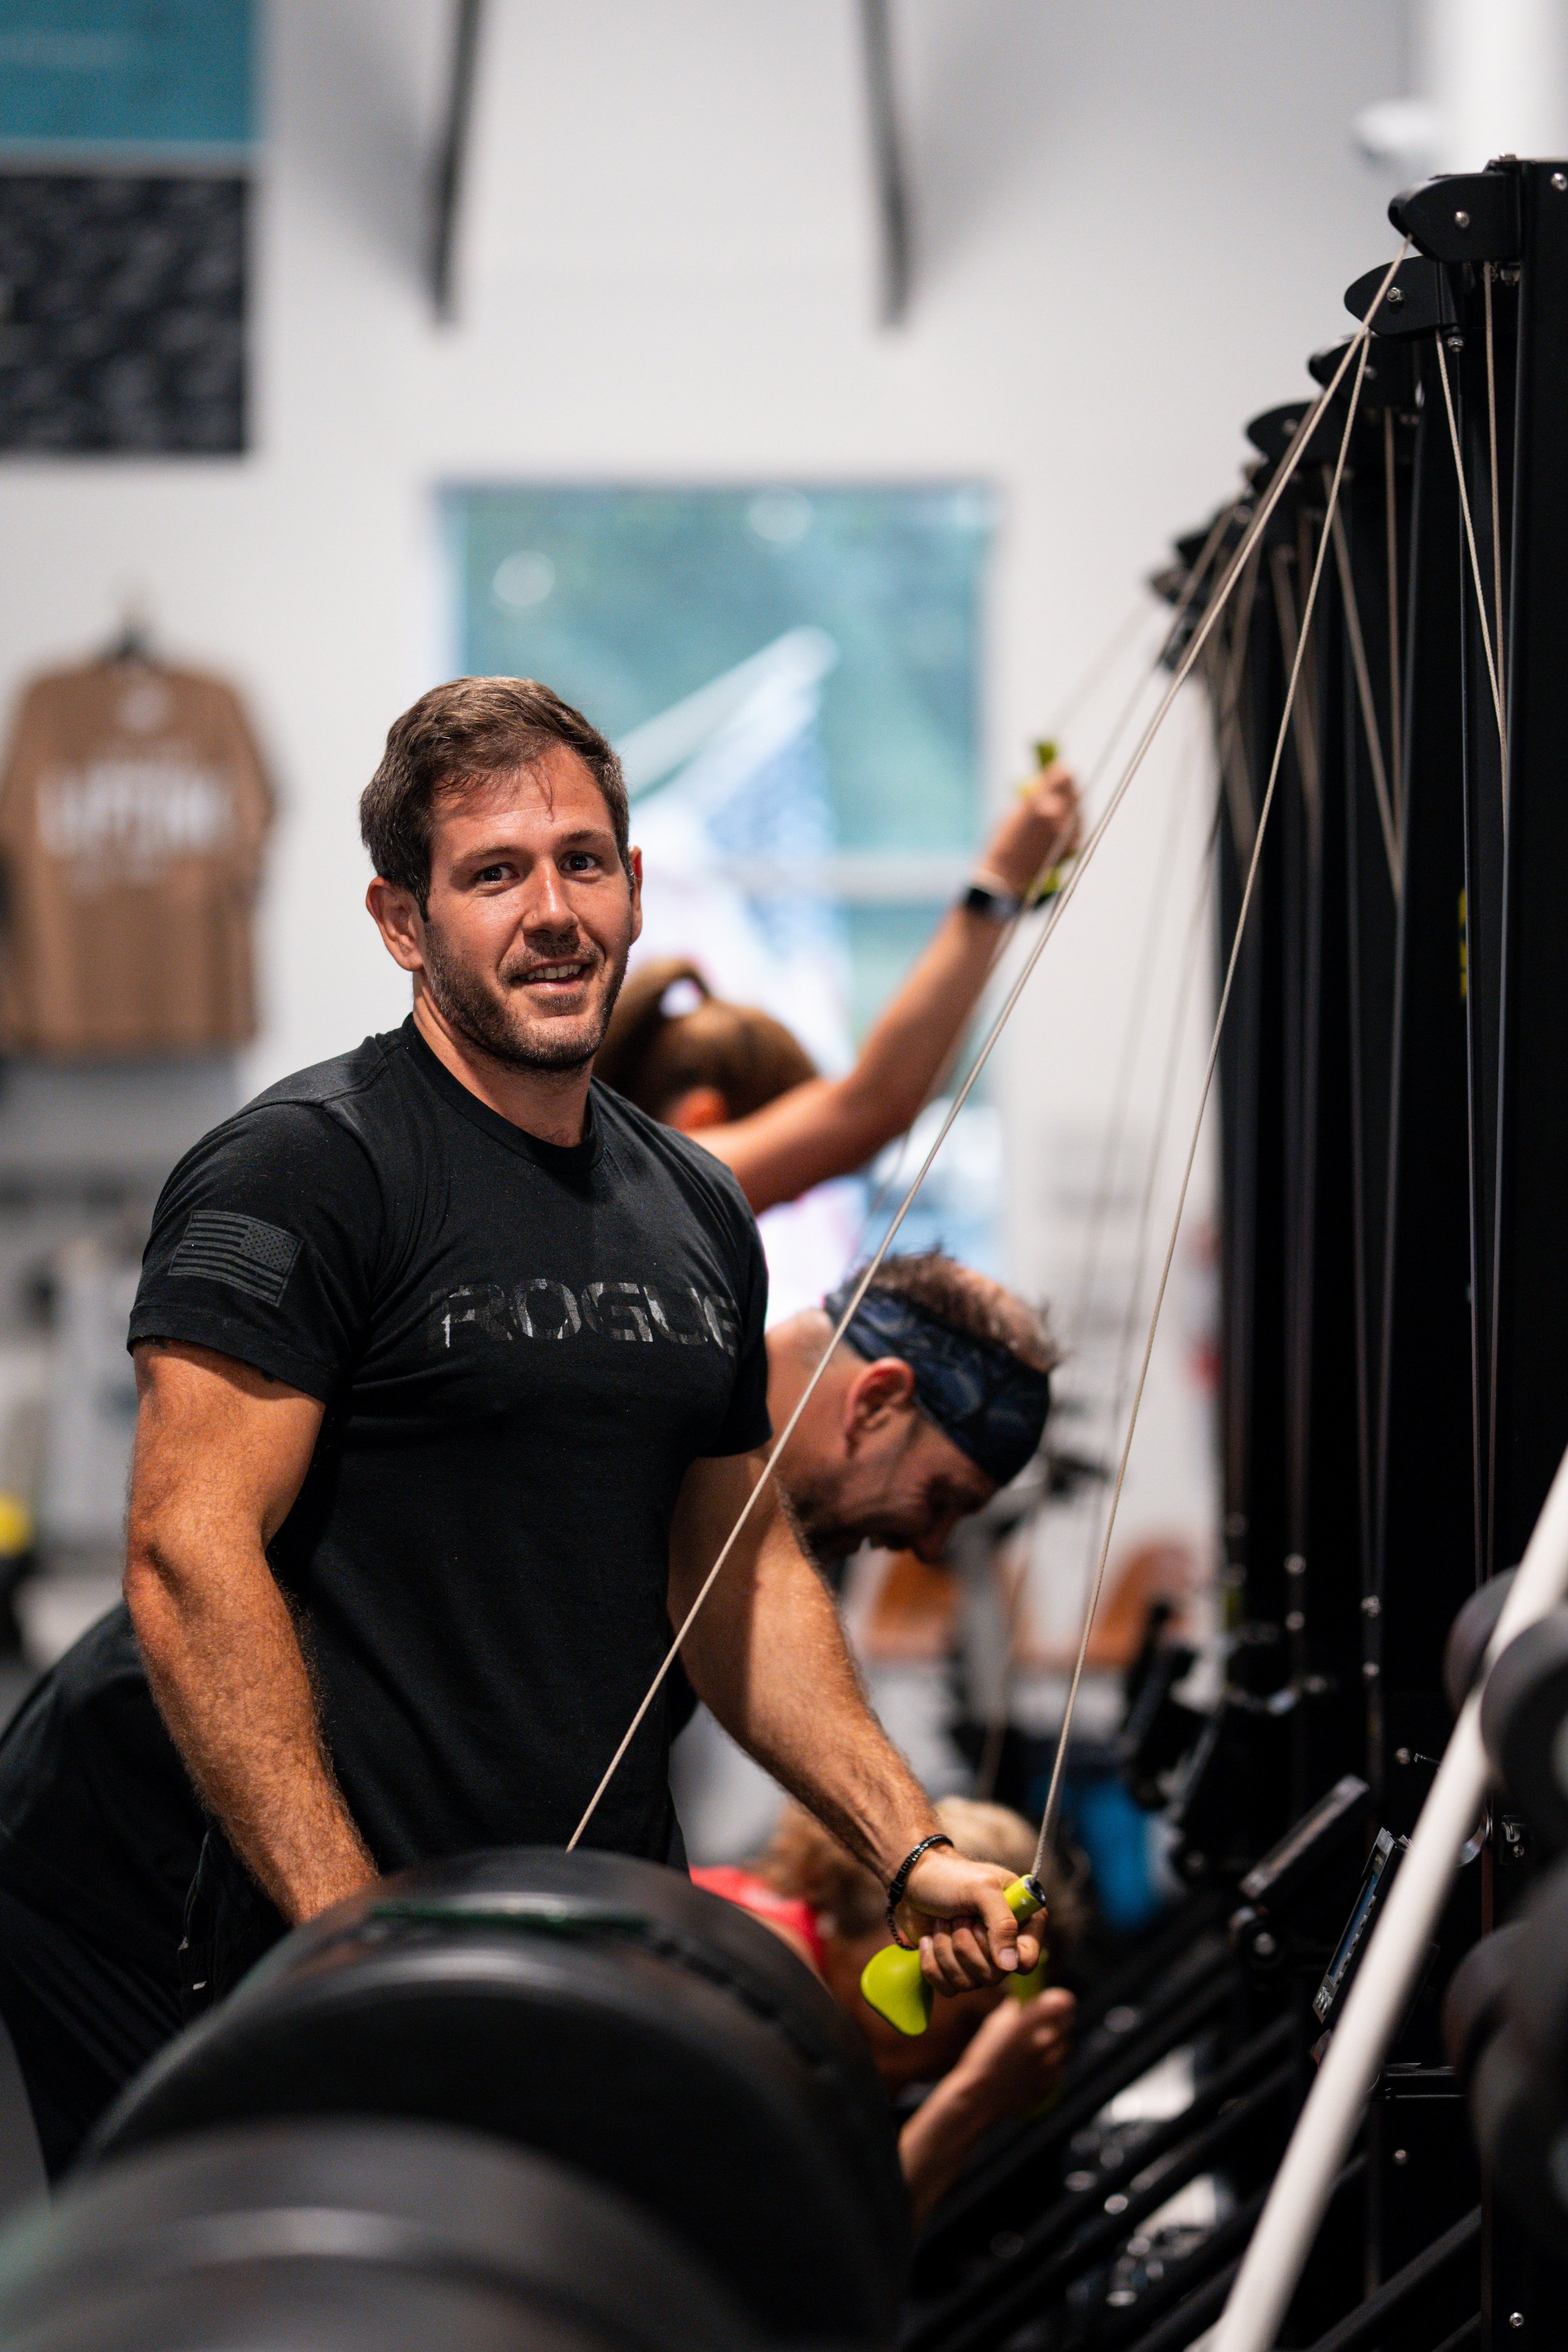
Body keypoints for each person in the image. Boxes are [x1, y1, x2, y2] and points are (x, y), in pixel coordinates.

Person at [0, 677, 1041, 2175]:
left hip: (540, 1911)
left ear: (633, 885)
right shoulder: (304, 1170)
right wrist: (350, 1932)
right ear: (402, 921)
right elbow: (186, 1552)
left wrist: (909, 1846)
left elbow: (737, 1574)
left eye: (581, 861)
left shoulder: (692, 1208)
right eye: (493, 873)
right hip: (210, 1904)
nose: (552, 911)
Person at [594, 755, 1080, 1212]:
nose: (794, 1192)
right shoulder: (662, 1182)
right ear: (702, 1121)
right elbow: (876, 1103)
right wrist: (1000, 879)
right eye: (801, 1174)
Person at [695, 1795, 1081, 2223]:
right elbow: (802, 2249)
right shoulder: (770, 1992)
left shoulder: (746, 1909)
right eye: (970, 2027)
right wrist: (974, 2096)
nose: (954, 2062)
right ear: (915, 1936)